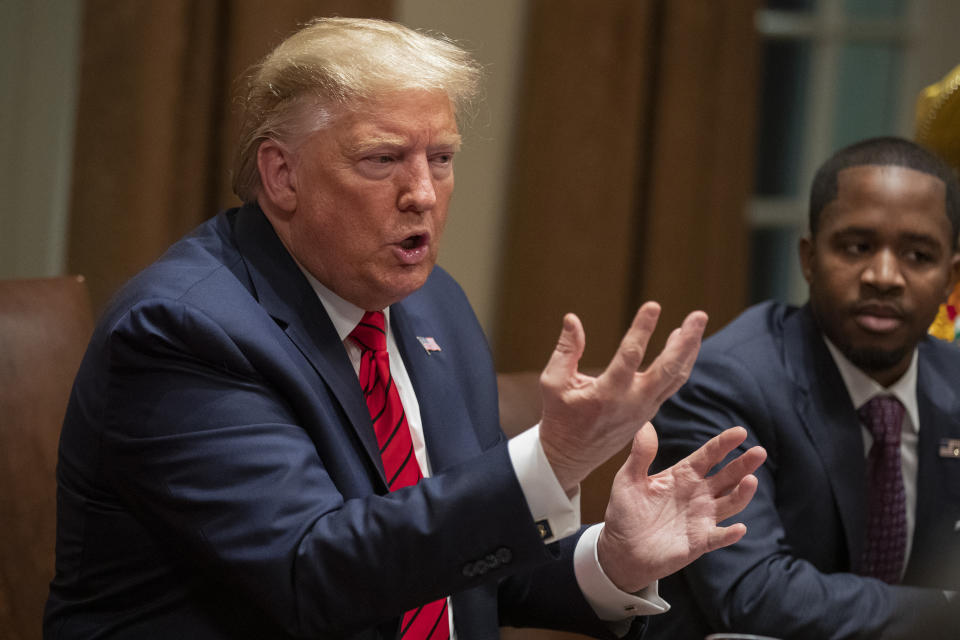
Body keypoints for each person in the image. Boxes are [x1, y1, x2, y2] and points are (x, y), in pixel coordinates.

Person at [43, 17, 766, 640]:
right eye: (382, 159)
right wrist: (549, 464)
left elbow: (460, 565)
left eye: (441, 159)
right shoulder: (184, 332)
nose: (422, 193)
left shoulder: (431, 307)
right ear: (282, 176)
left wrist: (614, 561)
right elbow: (314, 574)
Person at [650, 136, 960, 640]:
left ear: (951, 277)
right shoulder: (725, 382)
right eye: (857, 247)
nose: (884, 276)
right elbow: (751, 592)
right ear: (809, 258)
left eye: (918, 255)